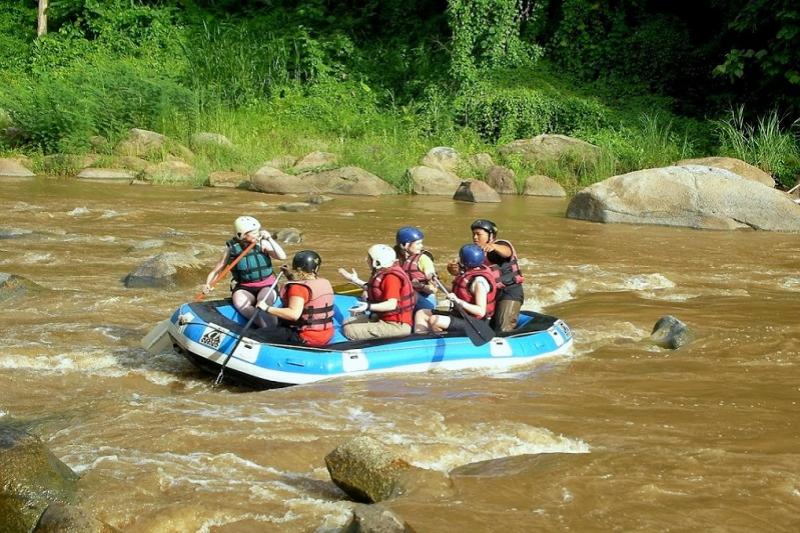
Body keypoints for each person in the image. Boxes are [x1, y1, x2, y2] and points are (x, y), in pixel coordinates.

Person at [203, 215, 286, 327]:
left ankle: (273, 327)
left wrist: (270, 239)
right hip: (244, 287)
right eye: (254, 232)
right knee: (240, 303)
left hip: (267, 285)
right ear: (242, 234)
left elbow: (282, 256)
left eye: (258, 231)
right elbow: (217, 270)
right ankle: (263, 325)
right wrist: (208, 284)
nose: (258, 234)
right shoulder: (232, 249)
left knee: (263, 302)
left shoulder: (263, 244)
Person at [447, 219, 524, 332]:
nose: (475, 237)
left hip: (509, 292)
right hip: (488, 295)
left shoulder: (501, 245)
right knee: (488, 324)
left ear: (491, 235)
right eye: (473, 234)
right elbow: (460, 274)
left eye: (479, 234)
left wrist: (494, 247)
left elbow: (507, 252)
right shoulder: (474, 254)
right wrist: (452, 269)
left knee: (502, 327)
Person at [255, 250, 334, 347]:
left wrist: (266, 308)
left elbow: (293, 315)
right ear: (316, 268)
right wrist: (289, 275)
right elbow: (306, 291)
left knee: (256, 334)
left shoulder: (298, 288)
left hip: (306, 337)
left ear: (296, 267)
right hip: (327, 334)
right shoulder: (325, 282)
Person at [338, 244, 416, 340]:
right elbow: (374, 288)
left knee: (349, 330)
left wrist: (367, 307)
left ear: (377, 262)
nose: (366, 260)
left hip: (397, 326)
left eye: (369, 258)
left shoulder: (391, 278)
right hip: (384, 319)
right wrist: (354, 279)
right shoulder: (384, 272)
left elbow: (391, 305)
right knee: (348, 322)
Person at [416, 244, 496, 334]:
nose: (457, 260)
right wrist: (438, 284)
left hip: (475, 323)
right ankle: (422, 342)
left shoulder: (479, 282)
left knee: (435, 320)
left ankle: (443, 343)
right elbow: (458, 293)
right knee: (421, 313)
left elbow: (480, 311)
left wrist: (458, 301)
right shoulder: (468, 273)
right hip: (459, 315)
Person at [394, 226, 437, 311]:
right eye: (418, 244)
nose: (421, 246)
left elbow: (433, 289)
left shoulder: (424, 259)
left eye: (421, 243)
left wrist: (420, 285)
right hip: (404, 297)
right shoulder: (394, 258)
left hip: (426, 301)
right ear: (404, 245)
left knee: (410, 292)